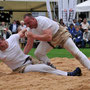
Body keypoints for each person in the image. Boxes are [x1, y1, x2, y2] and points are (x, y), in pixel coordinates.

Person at [0, 29, 81, 76]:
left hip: (30, 60)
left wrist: (27, 29)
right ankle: (69, 74)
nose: (0, 46)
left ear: (3, 40)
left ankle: (53, 69)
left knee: (47, 65)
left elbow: (22, 32)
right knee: (44, 67)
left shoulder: (12, 38)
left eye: (0, 43)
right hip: (21, 68)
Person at [23, 13, 90, 70]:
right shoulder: (30, 29)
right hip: (50, 40)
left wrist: (34, 36)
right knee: (38, 53)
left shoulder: (42, 21)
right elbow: (29, 44)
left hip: (60, 34)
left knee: (76, 53)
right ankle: (51, 67)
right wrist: (21, 57)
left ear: (33, 19)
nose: (28, 25)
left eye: (29, 23)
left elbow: (49, 37)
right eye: (26, 24)